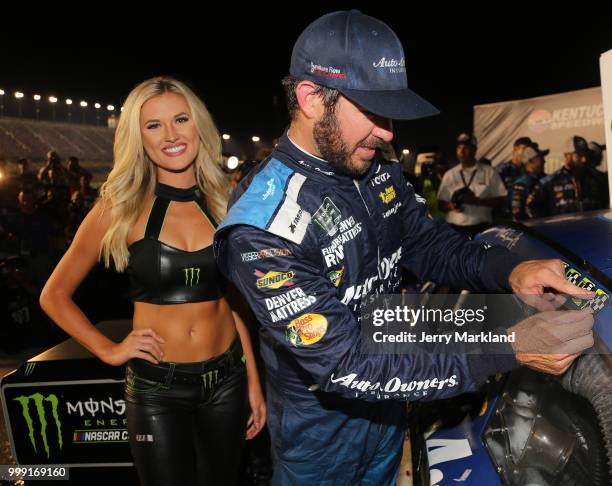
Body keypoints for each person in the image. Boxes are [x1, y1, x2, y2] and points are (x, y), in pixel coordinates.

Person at [213, 11, 595, 485]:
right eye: (372, 111)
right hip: (321, 440)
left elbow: (427, 243)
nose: (389, 132)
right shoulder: (262, 227)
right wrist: (507, 345)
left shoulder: (373, 165)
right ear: (311, 99)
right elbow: (346, 363)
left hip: (393, 405)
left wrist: (508, 272)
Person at [40, 77, 265, 486]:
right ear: (137, 137)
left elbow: (234, 301)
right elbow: (53, 295)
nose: (172, 135)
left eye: (181, 119)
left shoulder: (227, 201)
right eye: (154, 125)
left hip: (227, 381)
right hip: (157, 391)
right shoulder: (118, 208)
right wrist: (108, 350)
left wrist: (251, 379)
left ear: (199, 125)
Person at [437, 132, 507, 237]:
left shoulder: (489, 171)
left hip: (482, 229)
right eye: (459, 148)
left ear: (474, 150)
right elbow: (441, 204)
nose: (462, 151)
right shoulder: (450, 174)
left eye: (466, 148)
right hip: (455, 229)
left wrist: (477, 202)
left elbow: (502, 199)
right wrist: (451, 206)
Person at [531, 135, 609, 216]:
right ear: (567, 156)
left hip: (594, 227)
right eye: (579, 156)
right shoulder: (549, 182)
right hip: (562, 228)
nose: (584, 159)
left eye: (585, 155)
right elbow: (531, 207)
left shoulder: (598, 179)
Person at [508, 144, 547, 220]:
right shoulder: (522, 183)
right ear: (530, 161)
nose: (544, 161)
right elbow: (517, 212)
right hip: (531, 228)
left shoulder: (546, 179)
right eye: (540, 158)